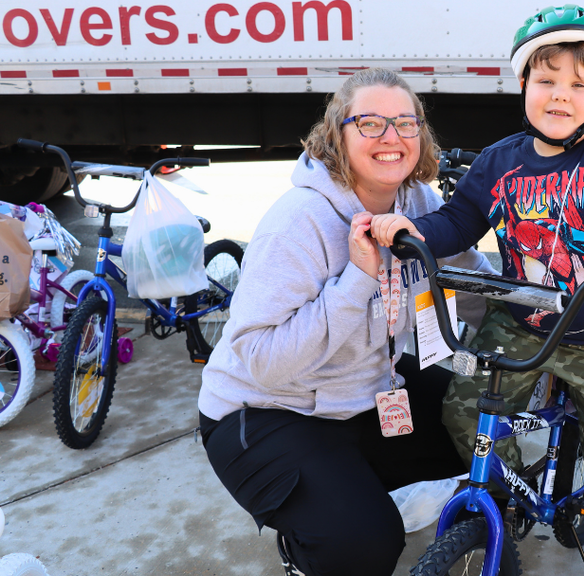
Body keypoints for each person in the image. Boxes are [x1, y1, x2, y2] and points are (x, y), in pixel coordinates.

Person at [369, 6, 584, 576]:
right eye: (546, 80)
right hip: (524, 319)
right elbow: (459, 220)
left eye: (579, 84)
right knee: (465, 407)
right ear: (523, 83)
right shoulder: (500, 162)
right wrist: (414, 232)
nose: (560, 95)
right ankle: (502, 497)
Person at [196, 68, 495, 576]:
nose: (391, 138)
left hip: (371, 392)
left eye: (406, 123)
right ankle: (312, 546)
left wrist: (544, 321)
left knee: (488, 433)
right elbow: (264, 364)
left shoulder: (418, 202)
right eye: (371, 123)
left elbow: (469, 281)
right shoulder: (300, 221)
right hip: (268, 411)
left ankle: (347, 489)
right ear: (338, 133)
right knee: (366, 544)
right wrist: (358, 279)